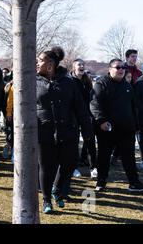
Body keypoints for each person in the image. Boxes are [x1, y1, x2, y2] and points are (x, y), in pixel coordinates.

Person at [36, 47, 92, 214]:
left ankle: (57, 189)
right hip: (44, 132)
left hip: (68, 131)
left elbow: (80, 108)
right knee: (46, 167)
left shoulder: (69, 82)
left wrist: (87, 130)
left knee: (69, 164)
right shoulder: (33, 81)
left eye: (40, 60)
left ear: (50, 64)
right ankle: (46, 200)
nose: (37, 63)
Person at [90, 58, 143, 193]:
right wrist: (101, 121)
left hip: (126, 129)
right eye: (118, 67)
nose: (121, 70)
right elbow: (95, 104)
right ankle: (101, 182)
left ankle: (134, 183)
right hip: (107, 128)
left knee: (129, 157)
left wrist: (136, 125)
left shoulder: (127, 86)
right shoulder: (101, 84)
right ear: (110, 69)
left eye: (123, 67)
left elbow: (133, 107)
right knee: (104, 156)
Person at [70, 59, 98, 179]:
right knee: (74, 142)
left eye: (83, 64)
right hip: (73, 116)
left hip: (86, 115)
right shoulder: (69, 81)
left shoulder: (87, 80)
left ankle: (93, 167)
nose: (81, 66)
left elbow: (91, 98)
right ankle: (74, 167)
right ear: (74, 68)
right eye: (79, 65)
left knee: (90, 141)